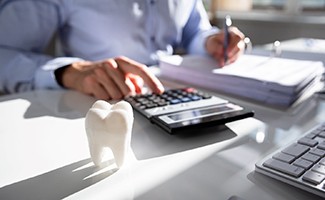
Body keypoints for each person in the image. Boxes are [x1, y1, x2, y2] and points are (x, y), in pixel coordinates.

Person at [0, 0, 245, 100]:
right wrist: (69, 71)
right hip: (96, 104)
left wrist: (210, 41)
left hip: (176, 98)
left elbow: (193, 33)